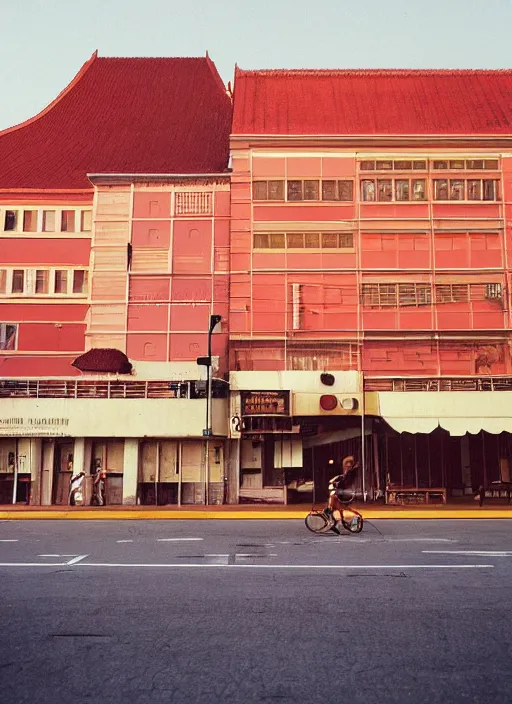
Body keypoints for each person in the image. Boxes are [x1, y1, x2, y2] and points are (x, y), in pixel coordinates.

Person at [325, 456, 359, 534]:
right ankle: (335, 521)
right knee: (338, 507)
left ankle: (330, 515)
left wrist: (337, 483)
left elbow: (345, 481)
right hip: (343, 491)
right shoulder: (346, 473)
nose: (347, 467)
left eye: (349, 466)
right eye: (346, 465)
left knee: (333, 498)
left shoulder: (350, 473)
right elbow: (342, 478)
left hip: (345, 492)